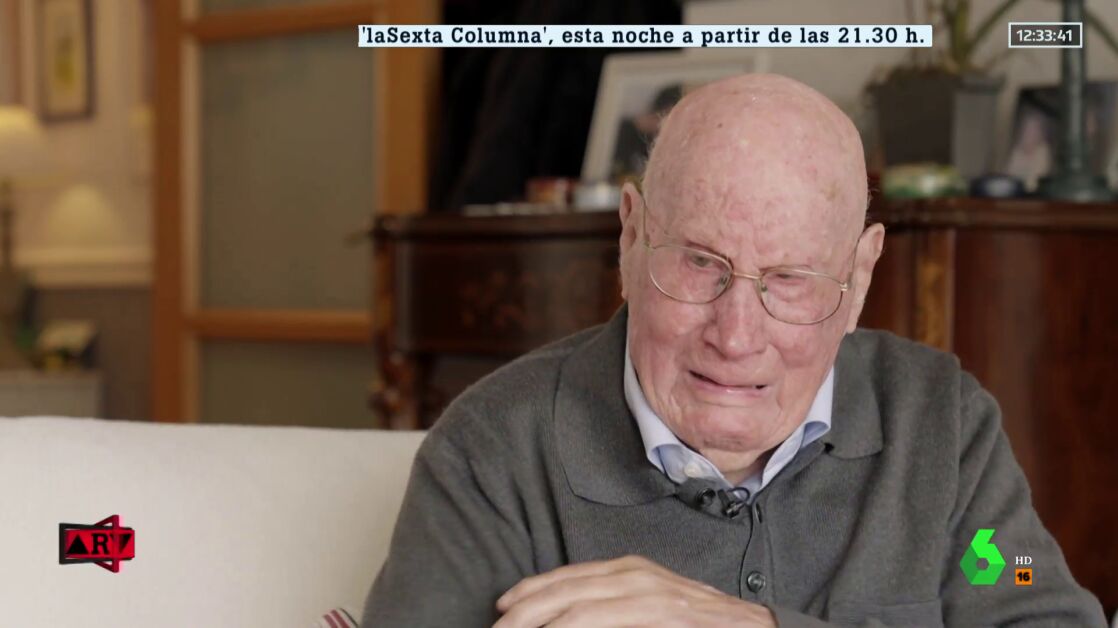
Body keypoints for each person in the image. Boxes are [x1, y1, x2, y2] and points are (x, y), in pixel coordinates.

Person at [363, 74, 1106, 627]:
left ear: (860, 276)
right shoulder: (493, 453)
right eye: (699, 264)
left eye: (791, 279)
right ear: (630, 237)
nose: (736, 336)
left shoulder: (942, 432)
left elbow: (1031, 599)